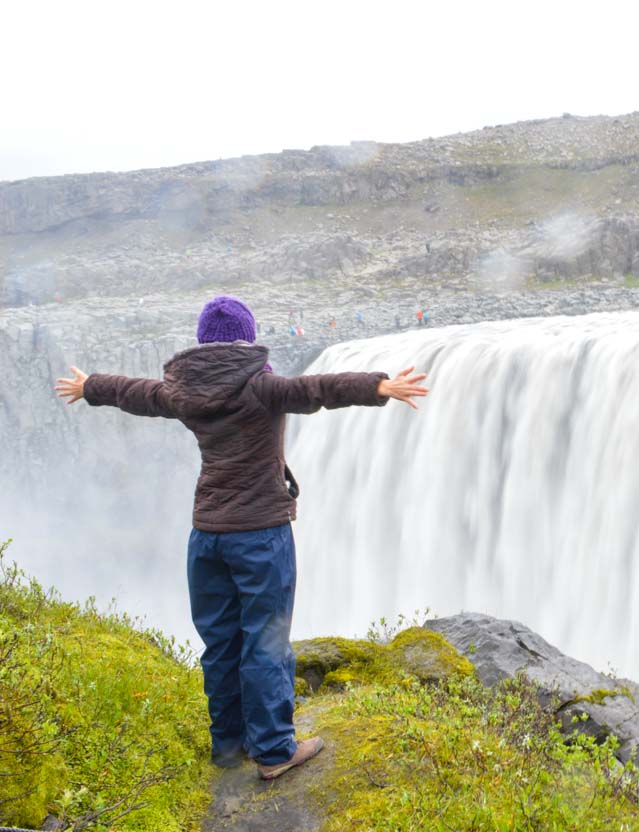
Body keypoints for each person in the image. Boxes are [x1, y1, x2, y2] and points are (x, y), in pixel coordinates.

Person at [54, 295, 428, 780]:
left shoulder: (182, 392)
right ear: (247, 339)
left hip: (206, 536)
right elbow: (314, 389)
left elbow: (138, 393)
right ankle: (274, 751)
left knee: (221, 642)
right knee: (266, 642)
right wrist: (379, 385)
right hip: (260, 535)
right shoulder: (261, 387)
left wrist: (91, 387)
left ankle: (229, 747)